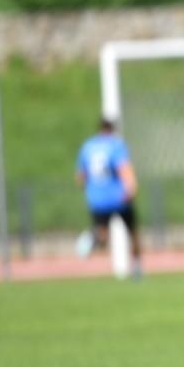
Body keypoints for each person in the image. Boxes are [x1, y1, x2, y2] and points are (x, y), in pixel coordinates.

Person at [75, 117, 143, 279]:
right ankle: (137, 268)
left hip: (97, 199)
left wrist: (92, 189)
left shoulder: (87, 147)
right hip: (119, 198)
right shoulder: (116, 145)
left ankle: (90, 237)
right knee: (133, 234)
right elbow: (124, 169)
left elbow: (80, 177)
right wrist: (131, 187)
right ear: (113, 130)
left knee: (103, 236)